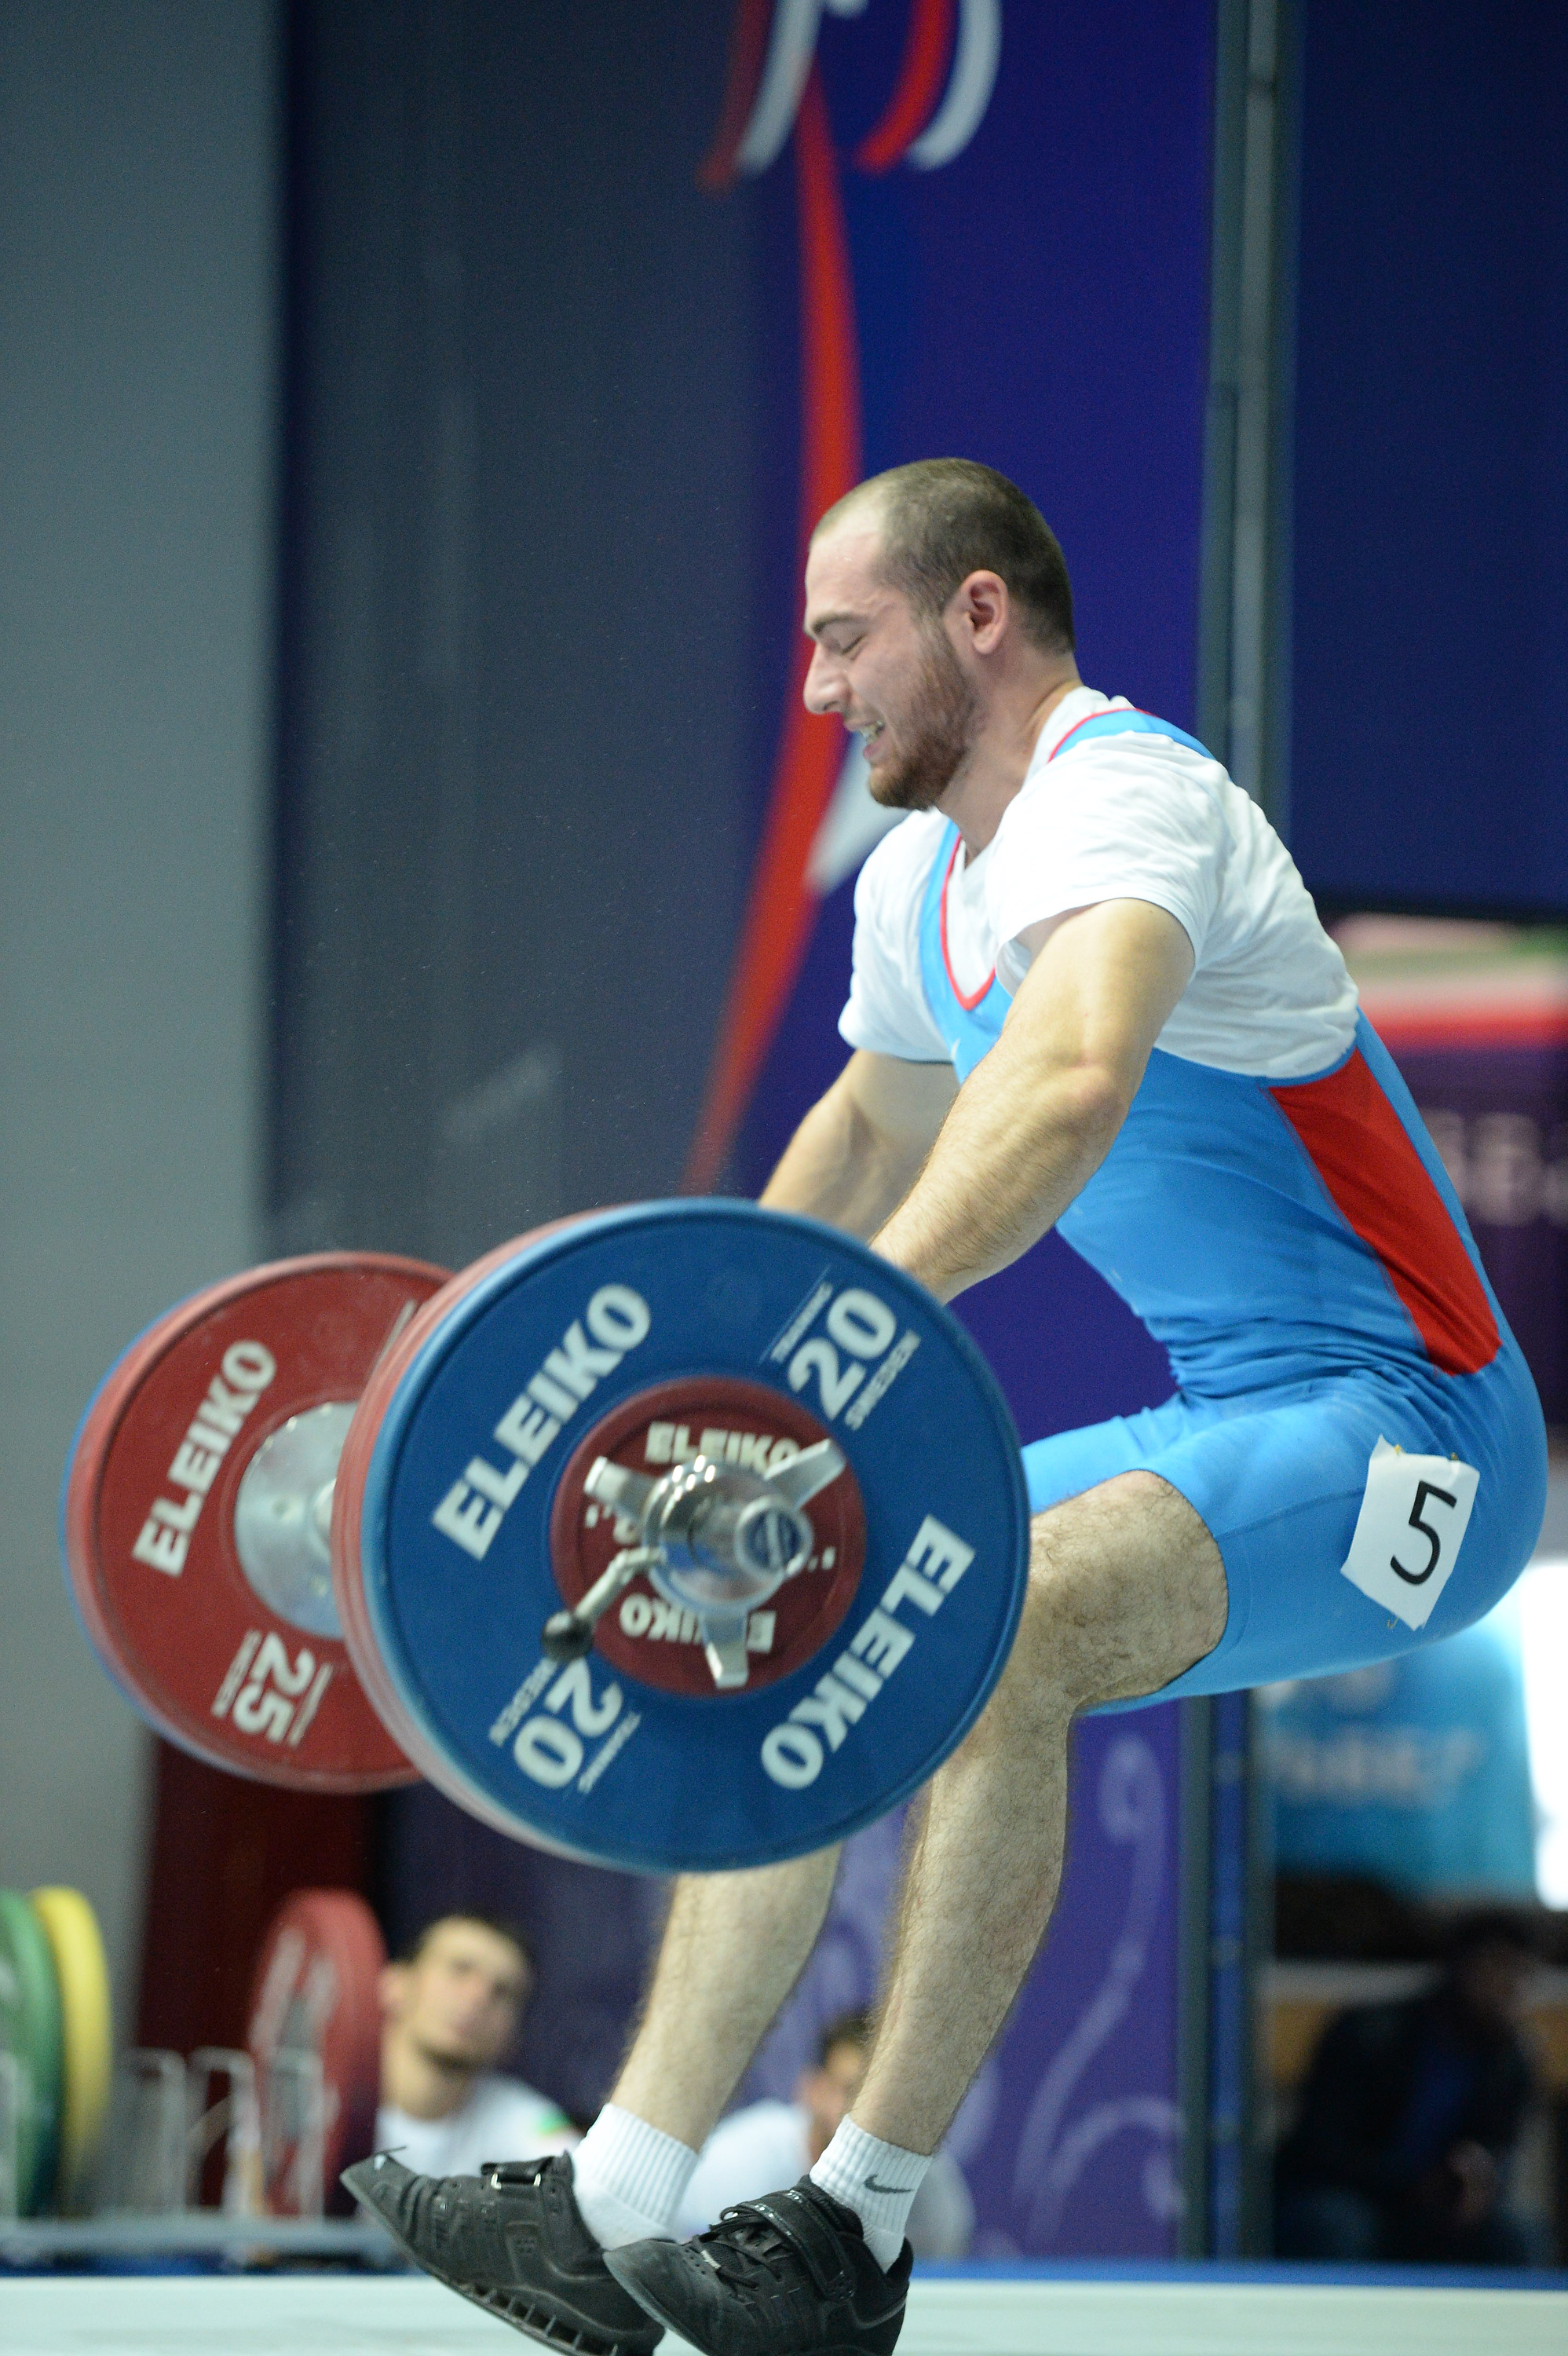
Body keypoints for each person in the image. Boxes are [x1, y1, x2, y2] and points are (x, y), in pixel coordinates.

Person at [348, 459, 1547, 2356]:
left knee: (1004, 1629)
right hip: (1231, 1410)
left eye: (845, 639)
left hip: (1419, 1430)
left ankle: (854, 2227)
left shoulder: (1127, 798)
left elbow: (1063, 1087)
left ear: (975, 613)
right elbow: (864, 1131)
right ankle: (615, 2196)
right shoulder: (917, 883)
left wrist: (842, 1359)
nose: (815, 687)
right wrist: (693, 1381)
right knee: (810, 1605)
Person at [1274, 1910, 1547, 2266]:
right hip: (1354, 2193)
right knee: (1335, 2226)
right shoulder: (1370, 2033)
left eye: (1522, 1974)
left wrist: (1476, 2179)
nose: (1509, 1988)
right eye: (1496, 1968)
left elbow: (1500, 2150)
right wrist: (1408, 2183)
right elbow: (1320, 2146)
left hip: (1439, 2205)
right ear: (1460, 1967)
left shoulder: (1511, 2061)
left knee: (1516, 2238)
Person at [676, 2012, 973, 2259]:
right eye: (852, 2091)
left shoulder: (929, 2189)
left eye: (890, 2100)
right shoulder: (737, 2166)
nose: (872, 2116)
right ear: (813, 2091)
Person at [375, 1912, 577, 2178]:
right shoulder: (321, 2092)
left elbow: (582, 2182)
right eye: (459, 1970)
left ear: (514, 2035)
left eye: (502, 1991)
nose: (477, 1997)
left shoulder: (530, 2118)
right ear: (394, 1983)